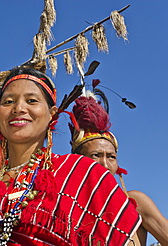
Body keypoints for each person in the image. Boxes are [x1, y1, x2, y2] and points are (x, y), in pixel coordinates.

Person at [0, 67, 141, 246]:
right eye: (8, 102)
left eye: (31, 100)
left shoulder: (84, 173)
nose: (19, 108)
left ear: (51, 113)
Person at [69, 96, 168, 246]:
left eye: (111, 157)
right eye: (96, 155)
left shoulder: (135, 203)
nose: (105, 164)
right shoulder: (66, 209)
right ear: (78, 161)